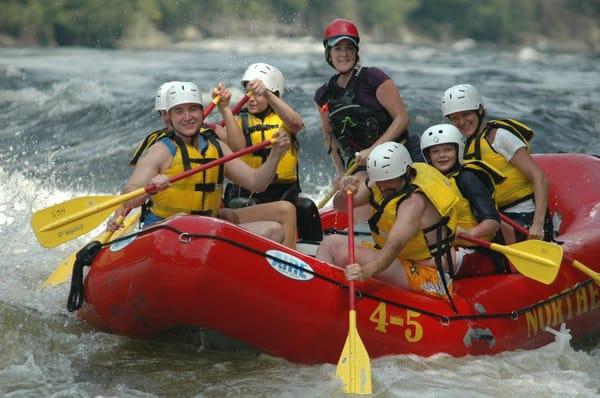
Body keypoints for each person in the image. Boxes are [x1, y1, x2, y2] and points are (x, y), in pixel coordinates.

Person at [108, 81, 297, 249]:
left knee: (273, 231)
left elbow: (257, 183)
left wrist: (276, 154)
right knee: (182, 221)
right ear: (170, 117)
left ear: (202, 112)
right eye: (179, 111)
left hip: (208, 227)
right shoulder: (160, 151)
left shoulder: (217, 148)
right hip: (167, 230)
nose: (187, 117)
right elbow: (129, 194)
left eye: (193, 109)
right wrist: (149, 189)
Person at [316, 142, 459, 304]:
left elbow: (394, 245)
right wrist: (344, 192)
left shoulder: (413, 203)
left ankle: (328, 300)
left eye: (389, 181)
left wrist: (365, 272)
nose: (383, 186)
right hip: (400, 259)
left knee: (345, 255)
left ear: (405, 172)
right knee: (330, 243)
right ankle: (321, 295)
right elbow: (340, 206)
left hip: (430, 272)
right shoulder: (382, 181)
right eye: (380, 181)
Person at [223, 63, 322, 241]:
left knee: (307, 207)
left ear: (274, 94)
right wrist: (225, 111)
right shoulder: (237, 120)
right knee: (244, 204)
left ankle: (312, 256)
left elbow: (296, 124)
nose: (252, 99)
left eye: (258, 94)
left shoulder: (284, 120)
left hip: (283, 193)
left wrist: (267, 92)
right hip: (248, 194)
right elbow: (236, 148)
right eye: (248, 93)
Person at [441, 84, 553, 243]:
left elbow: (539, 177)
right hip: (496, 218)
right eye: (455, 118)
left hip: (525, 214)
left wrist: (538, 224)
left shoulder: (499, 136)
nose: (461, 122)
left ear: (480, 110)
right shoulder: (467, 146)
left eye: (466, 114)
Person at [314, 19, 421, 176]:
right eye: (338, 48)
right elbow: (329, 136)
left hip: (400, 153)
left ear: (356, 52)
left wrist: (372, 150)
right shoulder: (323, 94)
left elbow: (402, 119)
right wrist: (342, 174)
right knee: (342, 199)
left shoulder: (373, 78)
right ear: (329, 53)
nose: (344, 54)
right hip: (361, 163)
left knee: (361, 194)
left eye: (349, 48)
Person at [420, 123, 510, 274]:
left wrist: (470, 233)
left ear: (458, 150)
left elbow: (493, 222)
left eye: (448, 150)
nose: (442, 155)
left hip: (478, 251)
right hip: (446, 247)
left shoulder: (468, 178)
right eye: (435, 151)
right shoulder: (429, 181)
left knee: (425, 263)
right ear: (428, 156)